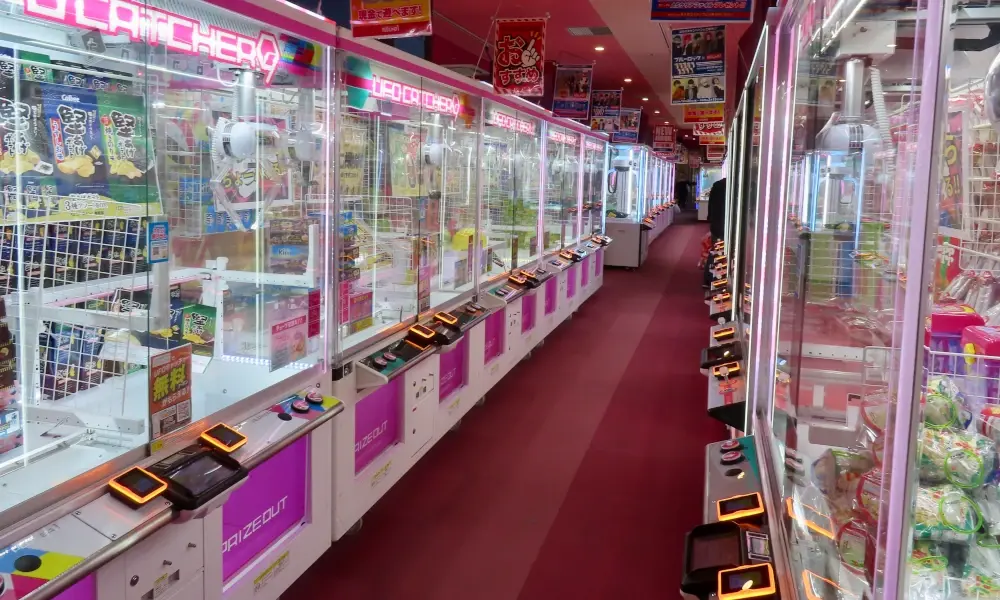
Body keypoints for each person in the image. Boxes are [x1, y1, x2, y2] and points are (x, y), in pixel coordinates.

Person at [705, 178, 727, 287]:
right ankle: (713, 278)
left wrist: (710, 217)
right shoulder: (731, 186)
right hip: (723, 226)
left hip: (717, 224)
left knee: (715, 250)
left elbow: (711, 203)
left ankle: (710, 278)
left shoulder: (717, 185)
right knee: (718, 252)